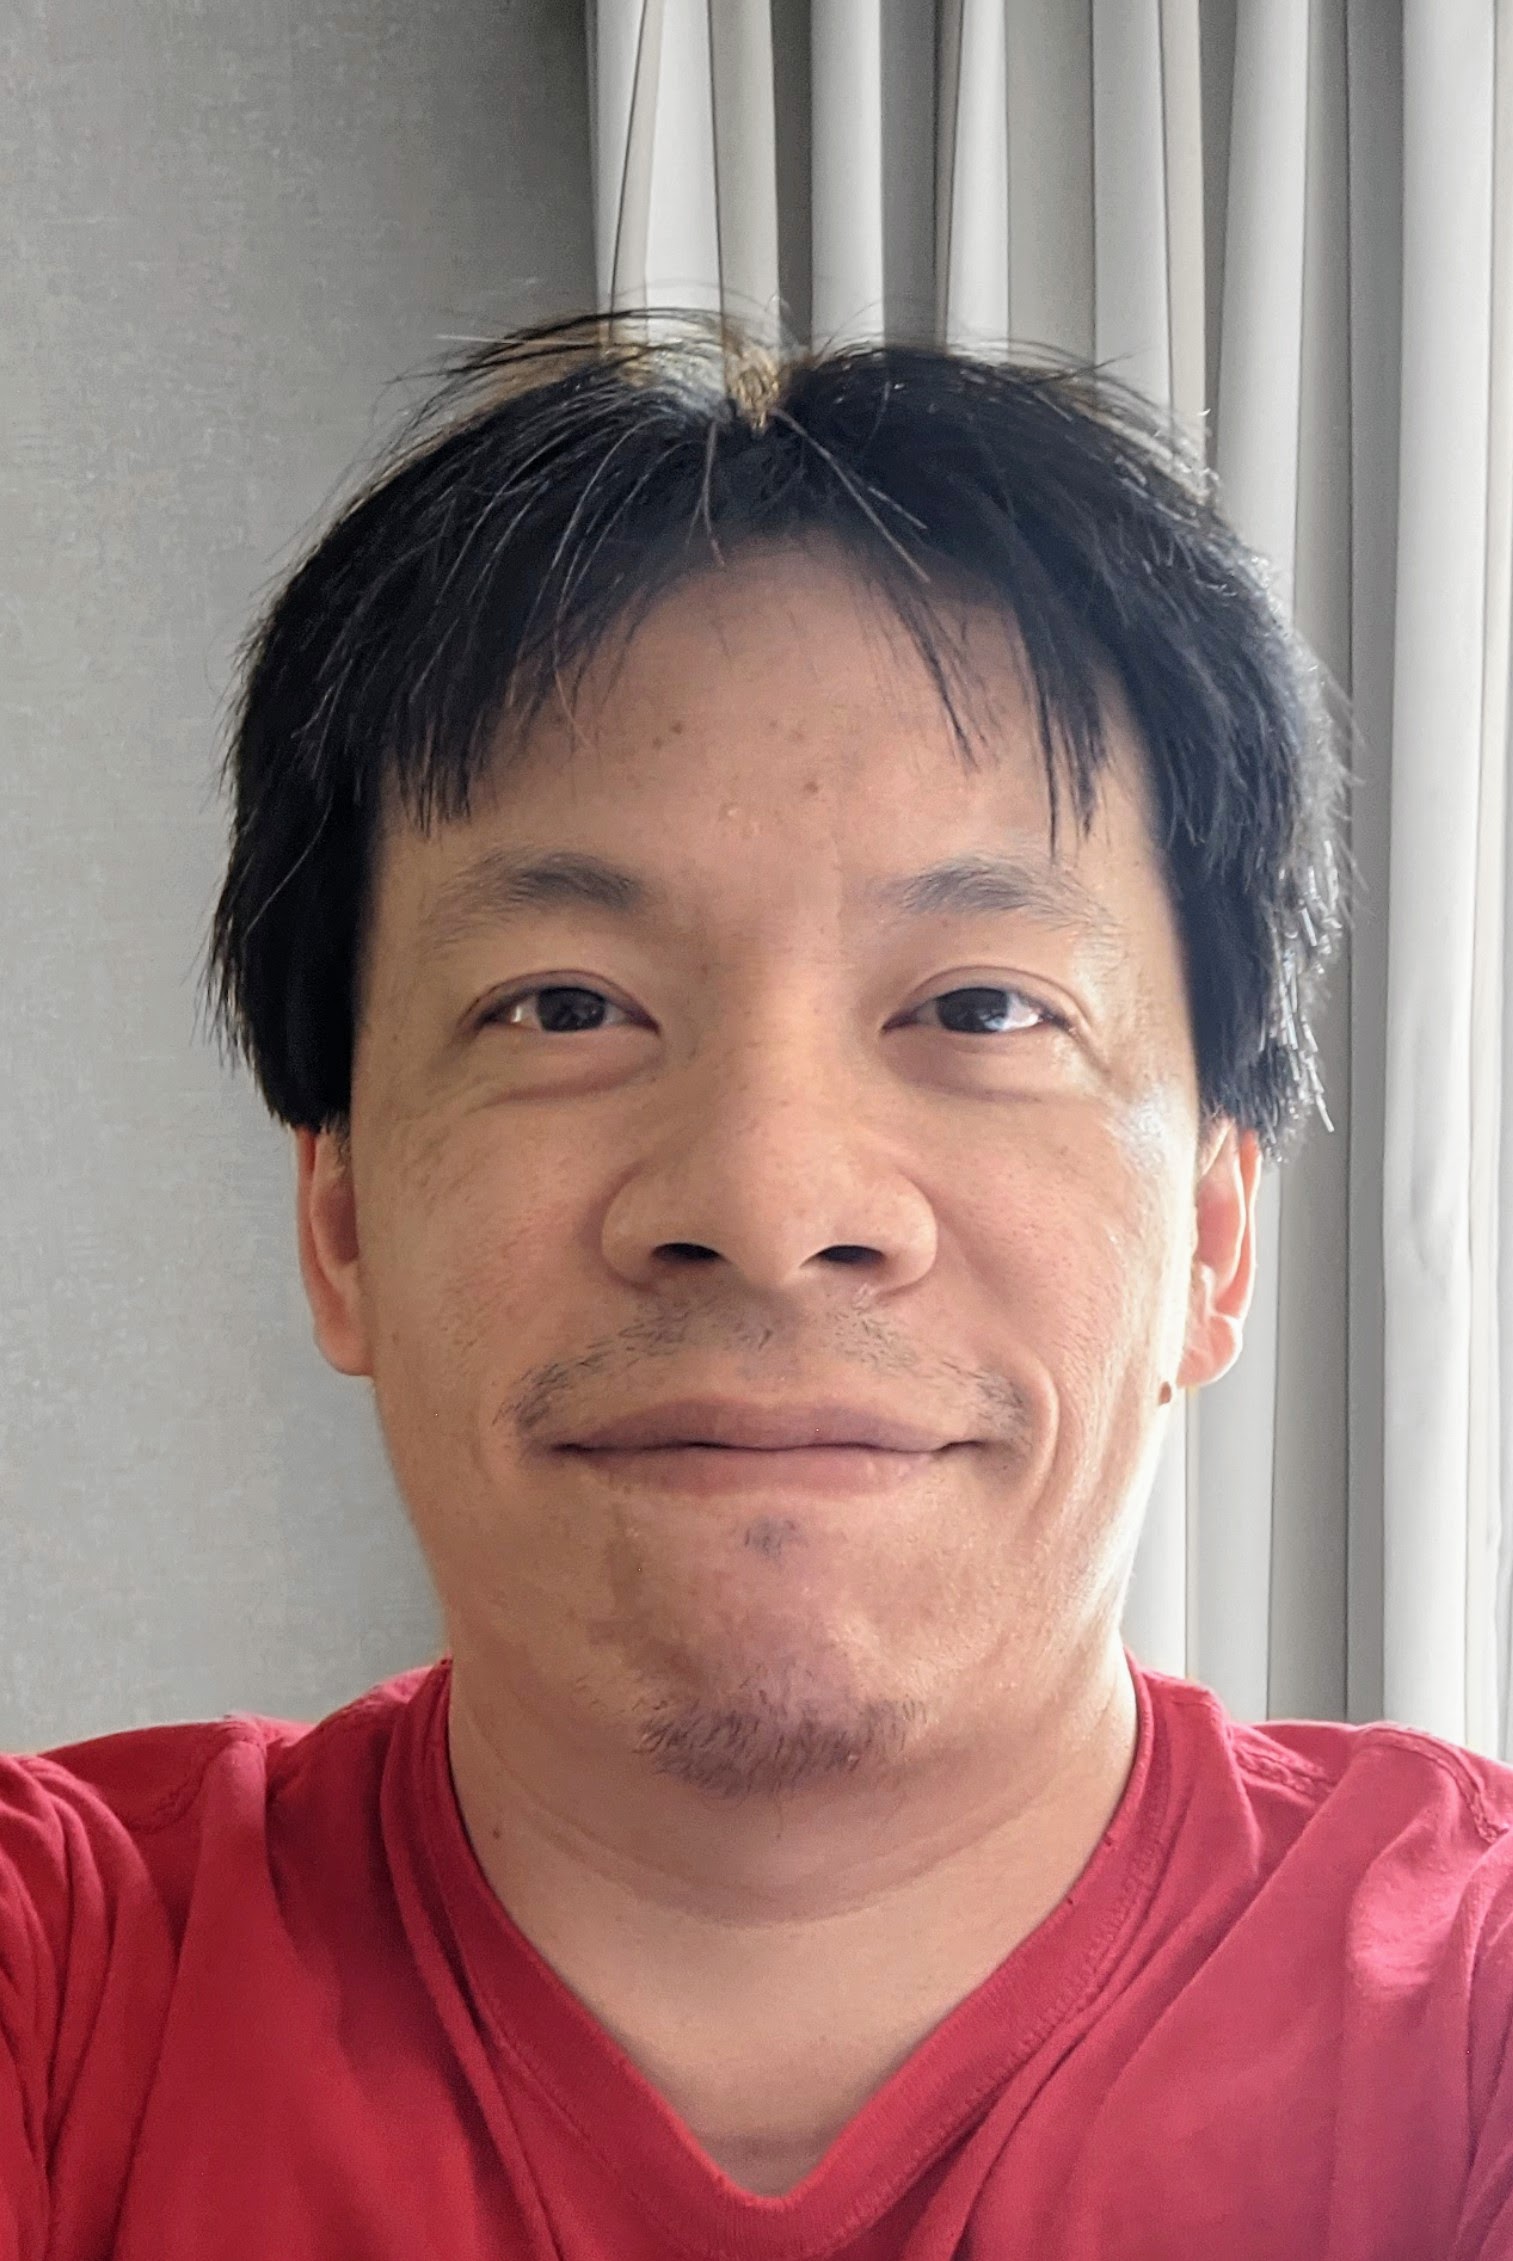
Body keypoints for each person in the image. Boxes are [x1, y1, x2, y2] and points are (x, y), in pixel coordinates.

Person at [3, 312, 1509, 2261]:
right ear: (341, 1221)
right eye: (563, 1006)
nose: (768, 1200)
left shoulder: (1464, 2011)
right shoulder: (66, 1988)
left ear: (1213, 1237)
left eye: (983, 1007)